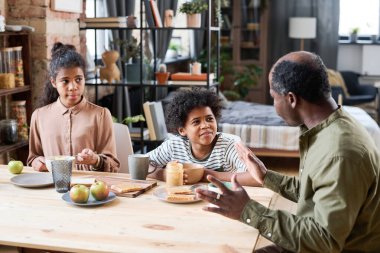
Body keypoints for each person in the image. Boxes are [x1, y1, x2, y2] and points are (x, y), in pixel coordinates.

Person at [196, 51, 380, 252]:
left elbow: (325, 240)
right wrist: (266, 177)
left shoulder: (339, 152)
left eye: (274, 97)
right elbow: (315, 190)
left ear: (291, 99)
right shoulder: (330, 128)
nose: (273, 105)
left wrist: (247, 210)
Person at [27, 42, 120, 172]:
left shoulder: (101, 115)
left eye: (78, 79)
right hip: (50, 188)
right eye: (65, 81)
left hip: (90, 188)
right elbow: (33, 158)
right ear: (53, 82)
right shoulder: (39, 116)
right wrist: (37, 162)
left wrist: (96, 160)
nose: (73, 87)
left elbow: (113, 165)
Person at [148, 88, 260, 186]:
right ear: (182, 130)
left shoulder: (230, 144)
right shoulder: (173, 145)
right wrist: (164, 174)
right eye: (196, 122)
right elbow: (141, 164)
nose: (206, 125)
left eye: (209, 119)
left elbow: (257, 177)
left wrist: (207, 175)